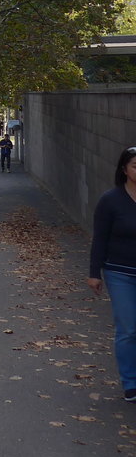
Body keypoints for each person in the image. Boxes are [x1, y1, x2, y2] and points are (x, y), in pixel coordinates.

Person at [88, 146, 136, 402]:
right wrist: (94, 272)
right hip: (120, 273)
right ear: (124, 170)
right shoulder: (111, 200)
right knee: (129, 328)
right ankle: (131, 382)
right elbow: (100, 239)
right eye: (135, 166)